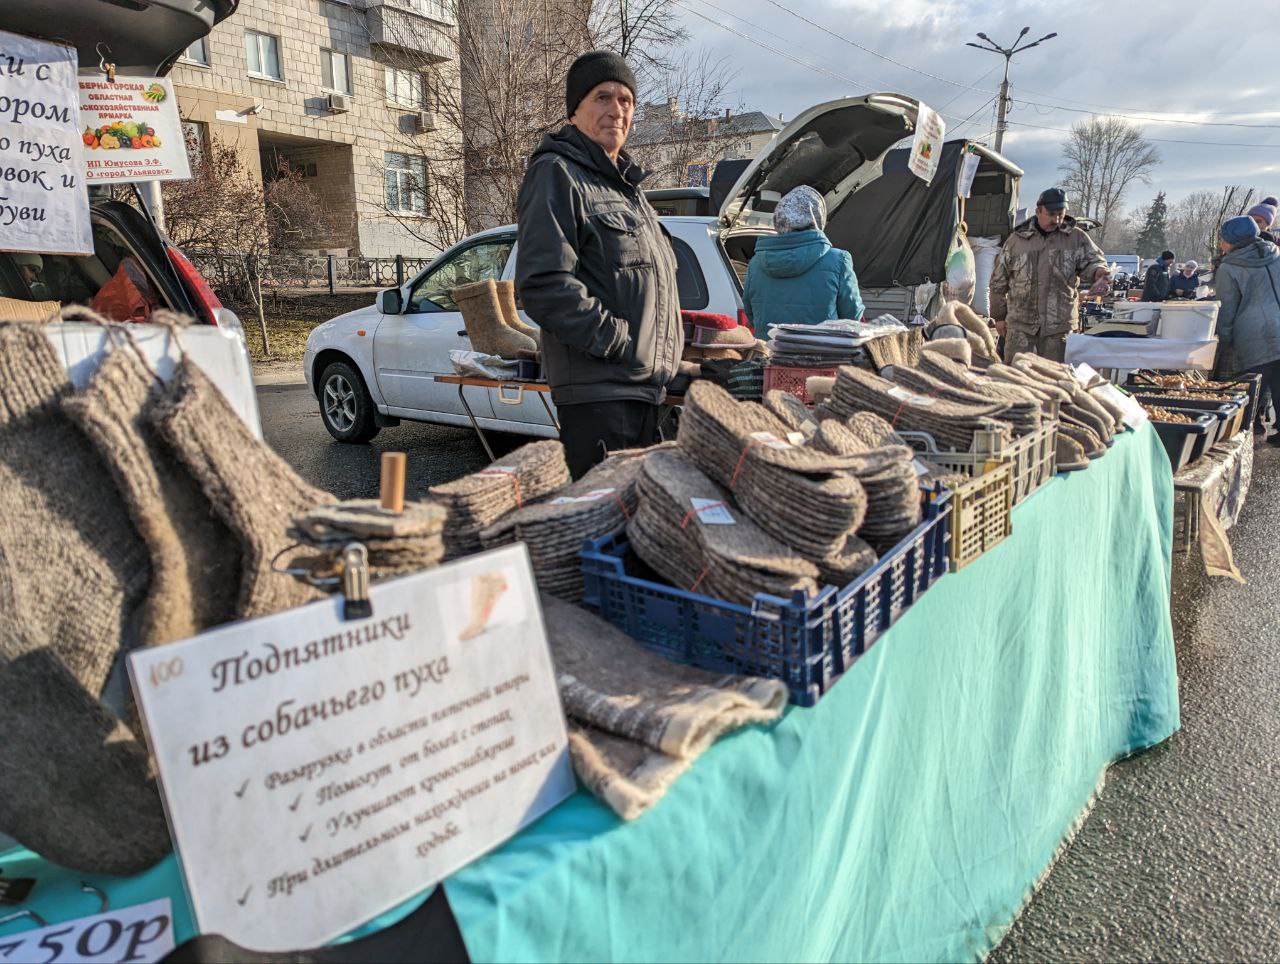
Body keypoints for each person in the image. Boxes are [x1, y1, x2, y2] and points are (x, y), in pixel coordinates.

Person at [515, 51, 681, 480]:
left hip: (646, 393)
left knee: (640, 532)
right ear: (576, 109)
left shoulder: (629, 191)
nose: (617, 110)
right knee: (603, 533)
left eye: (626, 100)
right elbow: (544, 285)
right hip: (600, 398)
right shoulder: (557, 174)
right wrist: (618, 341)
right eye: (603, 97)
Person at [989, 187, 1109, 363]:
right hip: (1021, 327)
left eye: (1060, 214)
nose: (1057, 219)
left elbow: (1094, 262)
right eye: (1051, 214)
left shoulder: (1076, 238)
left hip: (1059, 327)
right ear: (1038, 211)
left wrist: (1100, 273)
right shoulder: (1017, 240)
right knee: (1017, 378)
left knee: (1056, 380)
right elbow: (998, 281)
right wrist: (999, 317)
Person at [741, 185, 864, 336]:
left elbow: (751, 314)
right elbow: (852, 316)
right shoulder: (839, 260)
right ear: (818, 216)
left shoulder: (755, 264)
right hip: (823, 355)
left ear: (779, 219)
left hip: (771, 354)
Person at [1213, 215, 1280, 441]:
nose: (1221, 244)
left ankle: (1244, 433)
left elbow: (1227, 307)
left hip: (1253, 334)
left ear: (1233, 240)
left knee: (1250, 388)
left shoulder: (1229, 267)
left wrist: (1224, 338)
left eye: (1223, 239)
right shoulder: (1275, 254)